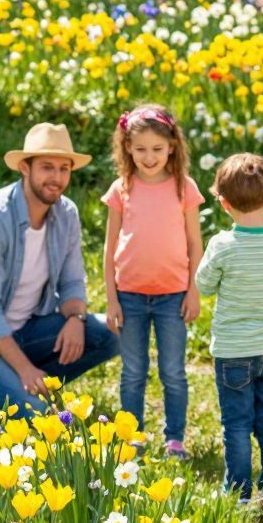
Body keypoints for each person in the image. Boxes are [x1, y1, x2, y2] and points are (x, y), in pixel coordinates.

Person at [0, 121, 118, 413]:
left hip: (28, 330)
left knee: (109, 335)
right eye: (47, 167)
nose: (56, 178)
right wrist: (24, 370)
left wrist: (76, 319)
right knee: (38, 418)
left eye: (64, 169)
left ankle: (14, 389)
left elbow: (72, 283)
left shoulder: (66, 213)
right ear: (25, 168)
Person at [194, 153, 263, 497]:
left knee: (237, 424)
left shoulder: (222, 246)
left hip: (233, 352)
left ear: (224, 204)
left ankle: (237, 491)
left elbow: (204, 285)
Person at [102, 103, 203, 457]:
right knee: (132, 372)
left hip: (173, 296)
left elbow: (194, 242)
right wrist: (111, 298)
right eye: (141, 149)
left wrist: (194, 290)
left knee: (173, 372)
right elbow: (110, 246)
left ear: (172, 146)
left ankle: (174, 438)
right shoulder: (122, 187)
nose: (149, 157)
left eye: (157, 149)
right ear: (127, 147)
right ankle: (133, 437)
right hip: (129, 295)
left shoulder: (183, 188)